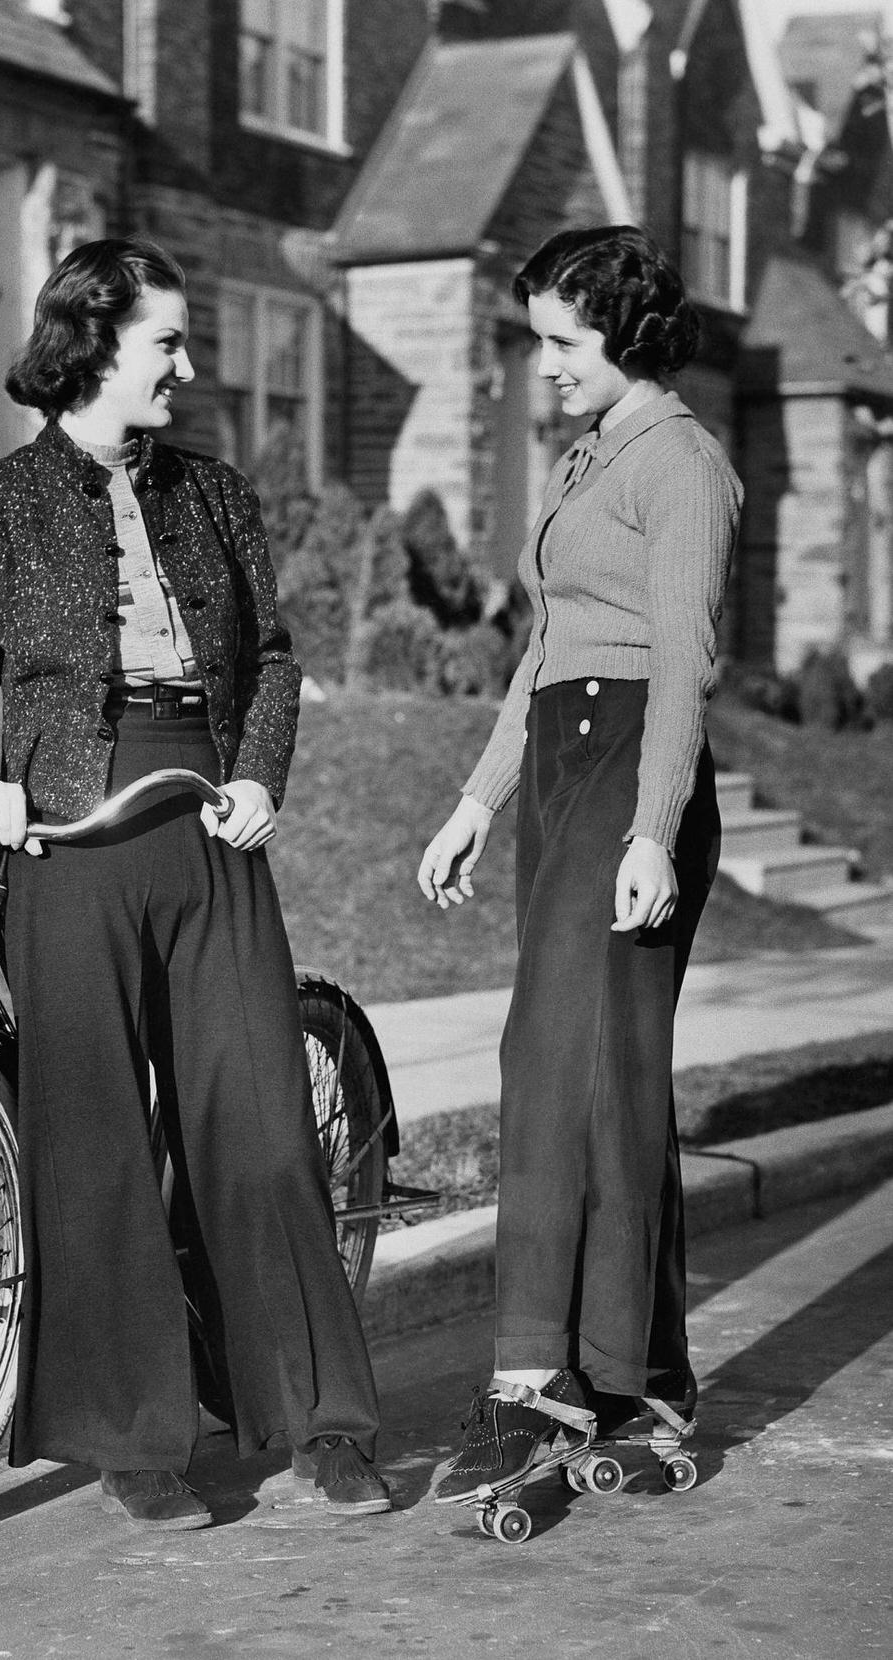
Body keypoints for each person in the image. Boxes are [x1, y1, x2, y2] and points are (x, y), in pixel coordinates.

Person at [0, 236, 390, 1532]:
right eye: (166, 343)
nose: (188, 365)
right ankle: (136, 1438)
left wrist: (258, 775)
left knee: (262, 1127)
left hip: (209, 822)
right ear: (91, 345)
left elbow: (278, 658)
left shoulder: (215, 496)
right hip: (68, 833)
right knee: (97, 1148)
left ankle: (320, 1422)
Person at [416, 226, 742, 1503]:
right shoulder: (588, 456)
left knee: (555, 1059)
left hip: (630, 774)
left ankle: (534, 1375)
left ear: (628, 334)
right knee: (602, 1077)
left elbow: (682, 658)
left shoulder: (683, 466)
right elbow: (545, 647)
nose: (539, 364)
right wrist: (477, 801)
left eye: (560, 340)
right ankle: (642, 1381)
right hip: (563, 761)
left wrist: (654, 827)